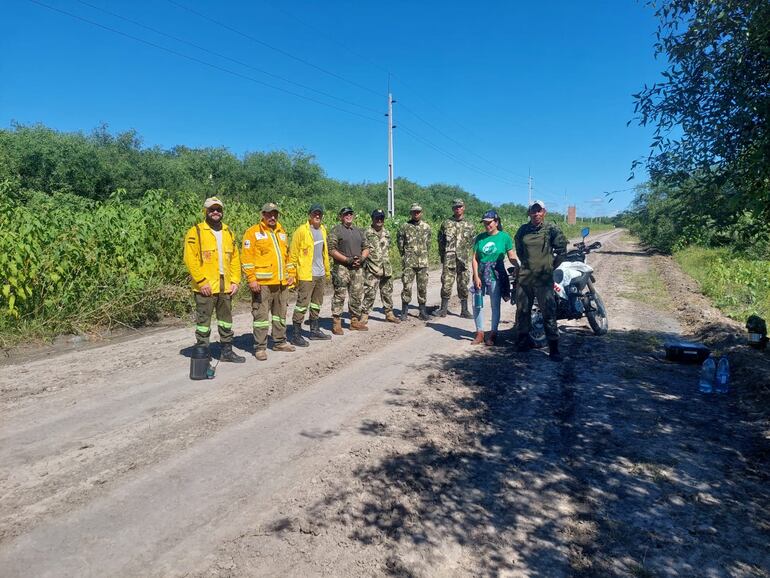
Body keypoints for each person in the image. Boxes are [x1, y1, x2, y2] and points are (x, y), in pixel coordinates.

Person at [183, 197, 245, 363]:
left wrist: (236, 281)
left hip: (226, 287)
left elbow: (234, 259)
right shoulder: (196, 231)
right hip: (206, 287)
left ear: (222, 212)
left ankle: (226, 351)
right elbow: (190, 259)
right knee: (204, 323)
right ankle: (203, 353)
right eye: (212, 210)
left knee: (226, 321)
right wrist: (202, 282)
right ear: (206, 211)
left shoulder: (228, 232)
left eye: (218, 209)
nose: (216, 212)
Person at [241, 202, 297, 361]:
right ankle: (260, 347)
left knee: (280, 315)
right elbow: (246, 258)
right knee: (261, 316)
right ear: (263, 215)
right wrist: (251, 279)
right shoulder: (252, 232)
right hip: (263, 284)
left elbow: (287, 256)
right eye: (269, 214)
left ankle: (279, 341)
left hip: (281, 282)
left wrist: (291, 273)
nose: (272, 217)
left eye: (275, 214)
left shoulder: (281, 232)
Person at [514, 199, 567, 361]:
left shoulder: (551, 229)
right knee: (523, 310)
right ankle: (523, 341)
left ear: (544, 212)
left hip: (544, 278)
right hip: (525, 277)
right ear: (529, 213)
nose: (536, 213)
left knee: (548, 312)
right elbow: (519, 249)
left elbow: (562, 250)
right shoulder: (523, 230)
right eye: (533, 210)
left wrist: (550, 266)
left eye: (539, 210)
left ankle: (553, 348)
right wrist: (527, 264)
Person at [471, 210, 518, 346]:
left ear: (496, 222)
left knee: (494, 304)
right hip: (480, 273)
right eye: (485, 223)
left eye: (489, 223)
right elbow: (474, 258)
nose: (487, 225)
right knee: (477, 303)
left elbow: (511, 256)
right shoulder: (480, 238)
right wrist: (476, 276)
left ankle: (493, 333)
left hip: (495, 274)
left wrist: (518, 266)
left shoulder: (504, 237)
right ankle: (480, 332)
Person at [288, 203, 332, 346]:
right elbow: (293, 255)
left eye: (319, 214)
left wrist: (326, 272)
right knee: (302, 304)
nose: (317, 216)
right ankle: (296, 334)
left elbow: (324, 253)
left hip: (320, 274)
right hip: (307, 275)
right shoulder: (301, 231)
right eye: (314, 214)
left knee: (316, 303)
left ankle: (314, 330)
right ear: (310, 215)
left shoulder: (323, 230)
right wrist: (292, 275)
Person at [328, 207, 370, 334]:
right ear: (341, 216)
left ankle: (354, 321)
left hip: (357, 268)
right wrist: (347, 260)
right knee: (340, 295)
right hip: (342, 267)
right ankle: (336, 323)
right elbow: (331, 250)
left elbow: (367, 247)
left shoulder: (359, 231)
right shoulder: (336, 230)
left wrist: (362, 258)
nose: (348, 216)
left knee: (356, 295)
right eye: (346, 214)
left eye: (350, 214)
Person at [435, 198, 476, 318]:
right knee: (446, 283)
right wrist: (443, 256)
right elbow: (440, 242)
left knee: (463, 284)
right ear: (453, 209)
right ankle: (443, 309)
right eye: (455, 207)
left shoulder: (470, 225)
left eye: (460, 206)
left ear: (464, 208)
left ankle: (464, 310)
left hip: (463, 259)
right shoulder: (446, 223)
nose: (458, 209)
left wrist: (467, 253)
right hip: (449, 259)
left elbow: (473, 243)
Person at [361, 209, 400, 325]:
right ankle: (364, 315)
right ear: (372, 218)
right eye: (377, 218)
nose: (379, 220)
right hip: (372, 268)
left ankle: (389, 314)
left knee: (387, 292)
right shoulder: (366, 233)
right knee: (369, 293)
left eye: (381, 218)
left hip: (386, 268)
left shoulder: (387, 233)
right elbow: (362, 249)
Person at [397, 203, 432, 321]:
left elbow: (428, 244)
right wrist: (405, 255)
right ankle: (404, 311)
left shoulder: (426, 227)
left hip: (422, 262)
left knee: (422, 287)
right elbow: (400, 243)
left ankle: (422, 311)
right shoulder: (404, 227)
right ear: (411, 213)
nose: (416, 214)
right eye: (414, 212)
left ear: (421, 213)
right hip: (409, 262)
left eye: (418, 212)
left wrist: (423, 254)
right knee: (407, 286)